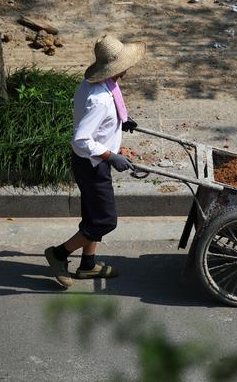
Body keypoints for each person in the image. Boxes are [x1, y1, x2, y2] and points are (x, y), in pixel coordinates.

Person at [44, 35, 145, 288]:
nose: (127, 68)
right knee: (105, 221)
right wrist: (111, 156)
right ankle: (59, 254)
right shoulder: (99, 99)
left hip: (92, 163)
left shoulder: (100, 84)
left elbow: (103, 118)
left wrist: (123, 121)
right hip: (91, 166)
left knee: (93, 216)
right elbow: (81, 140)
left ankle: (87, 265)